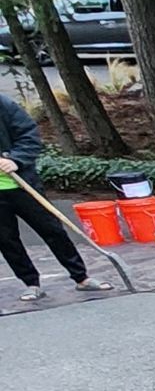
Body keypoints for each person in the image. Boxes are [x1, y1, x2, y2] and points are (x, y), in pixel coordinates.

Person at [0, 89, 109, 301]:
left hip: (22, 186)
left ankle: (81, 277)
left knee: (52, 230)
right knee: (6, 240)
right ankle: (31, 283)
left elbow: (29, 135)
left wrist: (15, 159)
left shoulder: (4, 105)